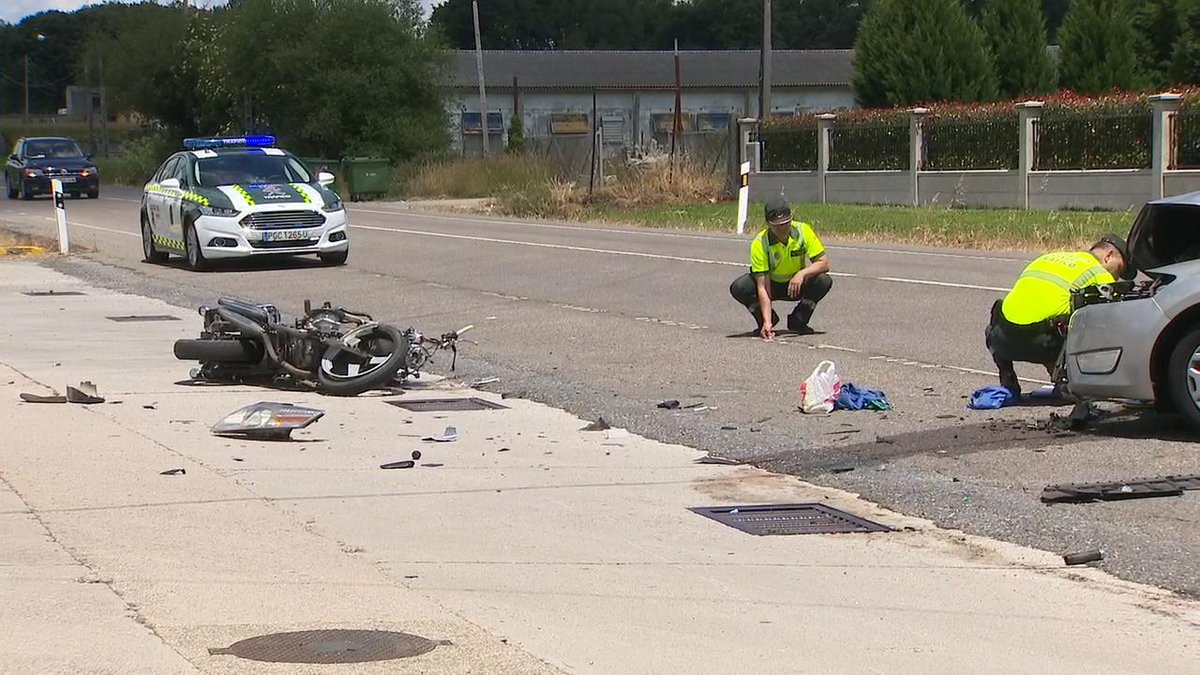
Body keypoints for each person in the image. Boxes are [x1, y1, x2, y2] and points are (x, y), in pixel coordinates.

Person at [985, 234, 1131, 397]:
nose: (1116, 277)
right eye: (1119, 269)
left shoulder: (1047, 258)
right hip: (1041, 345)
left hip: (1001, 339)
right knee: (1087, 322)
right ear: (1108, 256)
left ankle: (1008, 380)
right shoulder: (1099, 274)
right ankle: (1064, 382)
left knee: (1001, 311)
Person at [729, 196, 833, 340]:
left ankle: (799, 320)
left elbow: (824, 263)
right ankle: (765, 322)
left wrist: (802, 274)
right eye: (777, 225)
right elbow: (763, 286)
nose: (783, 228)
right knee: (740, 287)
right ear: (768, 223)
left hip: (795, 285)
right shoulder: (760, 243)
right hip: (772, 285)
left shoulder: (803, 230)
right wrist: (767, 321)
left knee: (823, 280)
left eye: (786, 223)